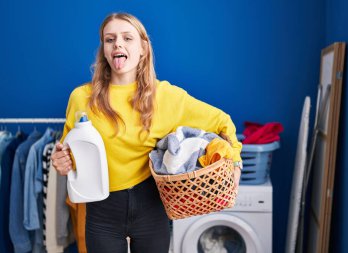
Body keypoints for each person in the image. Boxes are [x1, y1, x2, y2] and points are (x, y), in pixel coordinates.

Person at [51, 12, 243, 253]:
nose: (118, 44)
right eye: (110, 40)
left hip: (151, 206)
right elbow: (67, 155)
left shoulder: (165, 96)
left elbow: (222, 121)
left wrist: (235, 162)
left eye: (127, 38)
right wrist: (61, 162)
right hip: (102, 210)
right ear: (104, 50)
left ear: (143, 48)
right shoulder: (81, 98)